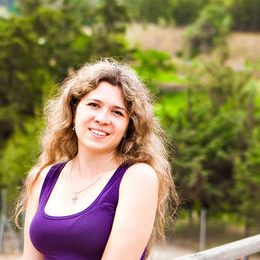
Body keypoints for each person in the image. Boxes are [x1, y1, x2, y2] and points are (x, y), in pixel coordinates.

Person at [14, 59, 179, 259]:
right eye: (94, 105)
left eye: (117, 112)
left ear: (129, 126)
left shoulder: (137, 178)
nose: (102, 118)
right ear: (74, 112)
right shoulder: (42, 178)